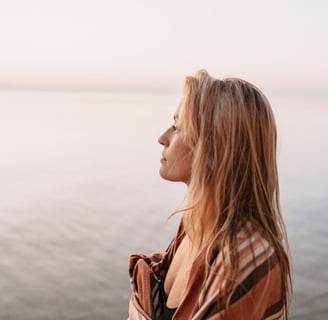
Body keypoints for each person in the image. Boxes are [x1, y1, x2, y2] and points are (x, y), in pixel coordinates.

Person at [128, 70, 292, 319]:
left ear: (216, 146)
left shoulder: (245, 260)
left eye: (178, 126)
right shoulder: (192, 228)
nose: (162, 138)